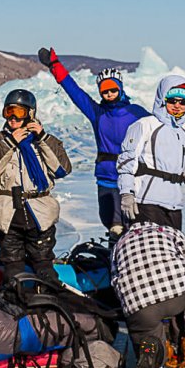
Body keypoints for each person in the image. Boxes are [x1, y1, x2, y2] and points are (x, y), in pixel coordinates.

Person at [38, 48, 150, 241]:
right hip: (106, 179)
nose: (109, 94)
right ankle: (113, 263)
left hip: (134, 179)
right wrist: (55, 66)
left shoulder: (136, 113)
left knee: (136, 229)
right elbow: (75, 92)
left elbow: (163, 131)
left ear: (120, 88)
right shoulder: (97, 114)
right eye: (105, 91)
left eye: (113, 89)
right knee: (114, 228)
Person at [0, 88, 71, 283]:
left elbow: (62, 169)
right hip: (8, 214)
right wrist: (10, 143)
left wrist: (43, 139)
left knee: (44, 267)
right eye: (8, 112)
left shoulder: (45, 141)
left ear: (30, 114)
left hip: (40, 214)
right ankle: (14, 307)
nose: (12, 118)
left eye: (18, 112)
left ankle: (49, 307)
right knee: (13, 270)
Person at [111, 222, 185, 368]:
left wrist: (132, 309)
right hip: (176, 293)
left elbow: (115, 280)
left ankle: (155, 359)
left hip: (139, 302)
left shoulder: (120, 243)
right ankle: (178, 342)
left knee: (148, 338)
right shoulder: (171, 232)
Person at [117, 75, 185, 231]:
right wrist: (126, 194)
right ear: (162, 100)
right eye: (172, 100)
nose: (177, 106)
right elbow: (126, 163)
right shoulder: (144, 125)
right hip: (145, 202)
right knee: (147, 252)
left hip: (174, 205)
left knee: (171, 250)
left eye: (182, 102)